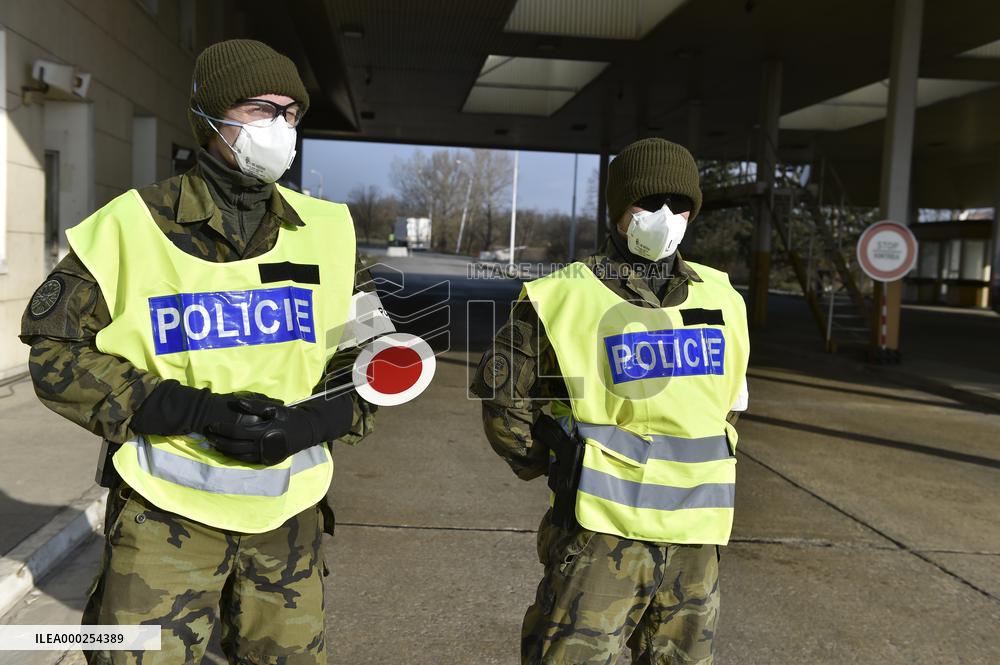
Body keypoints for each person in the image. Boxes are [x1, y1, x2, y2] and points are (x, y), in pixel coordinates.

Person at [19, 39, 376, 664]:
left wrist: (311, 421)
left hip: (289, 521)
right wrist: (192, 410)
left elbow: (378, 359)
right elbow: (56, 355)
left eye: (290, 113)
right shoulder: (130, 227)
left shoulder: (328, 232)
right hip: (162, 519)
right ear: (210, 116)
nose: (279, 127)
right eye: (260, 108)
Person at [471, 138, 749, 665]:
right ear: (619, 208)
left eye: (680, 203)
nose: (666, 216)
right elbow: (505, 406)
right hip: (599, 539)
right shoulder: (563, 296)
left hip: (695, 543)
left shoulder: (724, 298)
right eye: (649, 202)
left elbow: (729, 404)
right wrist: (554, 464)